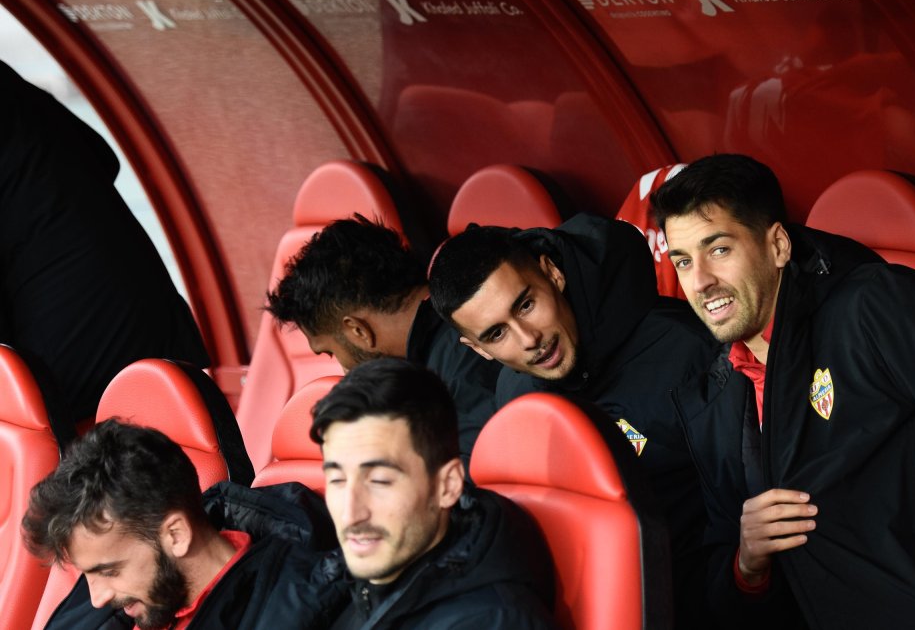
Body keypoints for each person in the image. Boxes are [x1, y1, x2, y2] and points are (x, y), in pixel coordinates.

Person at [650, 153, 915, 629]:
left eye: (720, 250)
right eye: (683, 261)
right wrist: (747, 566)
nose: (701, 281)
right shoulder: (715, 396)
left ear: (777, 245)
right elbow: (725, 589)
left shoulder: (873, 307)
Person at [427, 213, 719, 628]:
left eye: (526, 304)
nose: (529, 339)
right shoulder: (515, 395)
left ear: (553, 273)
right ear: (478, 350)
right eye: (496, 334)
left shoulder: (687, 350)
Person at [0, 60, 210, 447]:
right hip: (151, 329)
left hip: (77, 366)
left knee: (115, 493)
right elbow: (103, 156)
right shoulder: (13, 92)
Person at [292, 357, 557, 629]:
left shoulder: (494, 621)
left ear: (448, 485)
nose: (351, 513)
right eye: (336, 479)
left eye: (380, 481)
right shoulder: (363, 583)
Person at [22, 419, 326, 629]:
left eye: (110, 571)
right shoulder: (133, 584)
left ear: (176, 535)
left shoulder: (286, 613)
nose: (97, 599)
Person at [264, 215, 501, 471]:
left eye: (331, 353)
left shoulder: (456, 372)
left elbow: (467, 490)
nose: (344, 372)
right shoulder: (453, 337)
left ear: (358, 330)